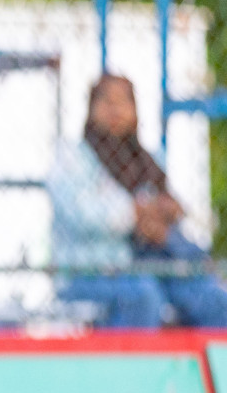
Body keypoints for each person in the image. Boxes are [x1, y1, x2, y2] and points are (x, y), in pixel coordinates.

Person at [48, 74, 227, 328]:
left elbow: (165, 207)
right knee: (143, 296)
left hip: (152, 263)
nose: (115, 109)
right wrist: (135, 214)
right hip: (90, 271)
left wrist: (160, 218)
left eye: (123, 102)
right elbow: (81, 214)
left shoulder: (147, 160)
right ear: (91, 109)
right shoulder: (73, 158)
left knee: (211, 298)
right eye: (106, 101)